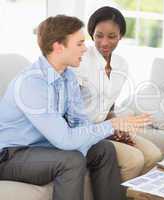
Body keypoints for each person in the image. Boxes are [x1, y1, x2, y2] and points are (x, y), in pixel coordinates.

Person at [0, 15, 152, 200]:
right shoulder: (32, 84)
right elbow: (65, 139)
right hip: (11, 155)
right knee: (71, 161)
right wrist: (112, 125)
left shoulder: (68, 76)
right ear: (58, 47)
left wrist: (109, 130)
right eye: (79, 44)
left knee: (103, 149)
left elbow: (80, 123)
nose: (86, 48)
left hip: (45, 146)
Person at [73, 6, 162, 181]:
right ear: (92, 34)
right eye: (99, 35)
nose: (104, 42)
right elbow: (71, 113)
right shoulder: (79, 62)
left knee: (154, 154)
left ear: (121, 35)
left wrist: (119, 128)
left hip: (106, 128)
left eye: (112, 36)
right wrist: (107, 129)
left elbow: (108, 107)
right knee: (134, 159)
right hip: (84, 133)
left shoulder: (122, 65)